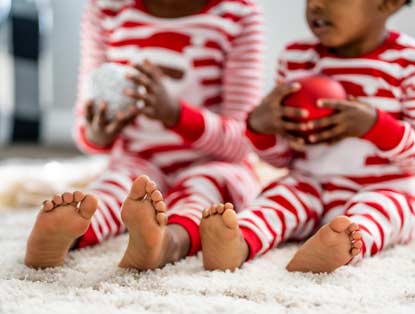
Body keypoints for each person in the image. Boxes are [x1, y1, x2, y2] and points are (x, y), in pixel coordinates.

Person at [199, 0, 415, 273]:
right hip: (309, 184)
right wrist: (260, 129)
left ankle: (339, 246)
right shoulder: (296, 59)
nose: (316, 4)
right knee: (275, 200)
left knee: (386, 212)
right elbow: (281, 158)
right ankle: (237, 242)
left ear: (388, 4)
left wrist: (376, 127)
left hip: (381, 188)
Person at [23, 0, 265, 270]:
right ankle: (68, 236)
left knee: (204, 192)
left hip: (213, 162)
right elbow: (85, 126)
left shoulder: (238, 13)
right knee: (112, 189)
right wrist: (97, 134)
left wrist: (176, 115)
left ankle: (167, 243)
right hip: (136, 161)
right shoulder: (106, 9)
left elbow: (244, 142)